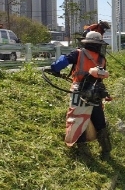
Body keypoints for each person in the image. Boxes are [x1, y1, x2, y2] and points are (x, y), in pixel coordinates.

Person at [45, 31, 113, 161]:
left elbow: (61, 62)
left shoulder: (78, 53)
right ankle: (106, 151)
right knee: (99, 121)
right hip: (95, 93)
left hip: (79, 92)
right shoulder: (102, 59)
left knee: (77, 119)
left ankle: (84, 154)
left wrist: (54, 69)